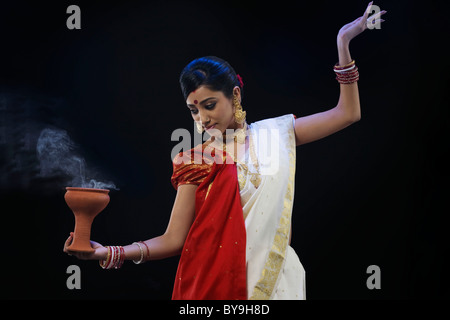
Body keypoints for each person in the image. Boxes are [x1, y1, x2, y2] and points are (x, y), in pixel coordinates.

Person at [64, 2, 386, 300]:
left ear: (234, 95)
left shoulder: (276, 134)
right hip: (214, 288)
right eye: (193, 110)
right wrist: (112, 252)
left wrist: (343, 43)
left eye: (209, 105)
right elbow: (174, 239)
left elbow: (347, 114)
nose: (202, 119)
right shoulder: (195, 161)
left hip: (277, 282)